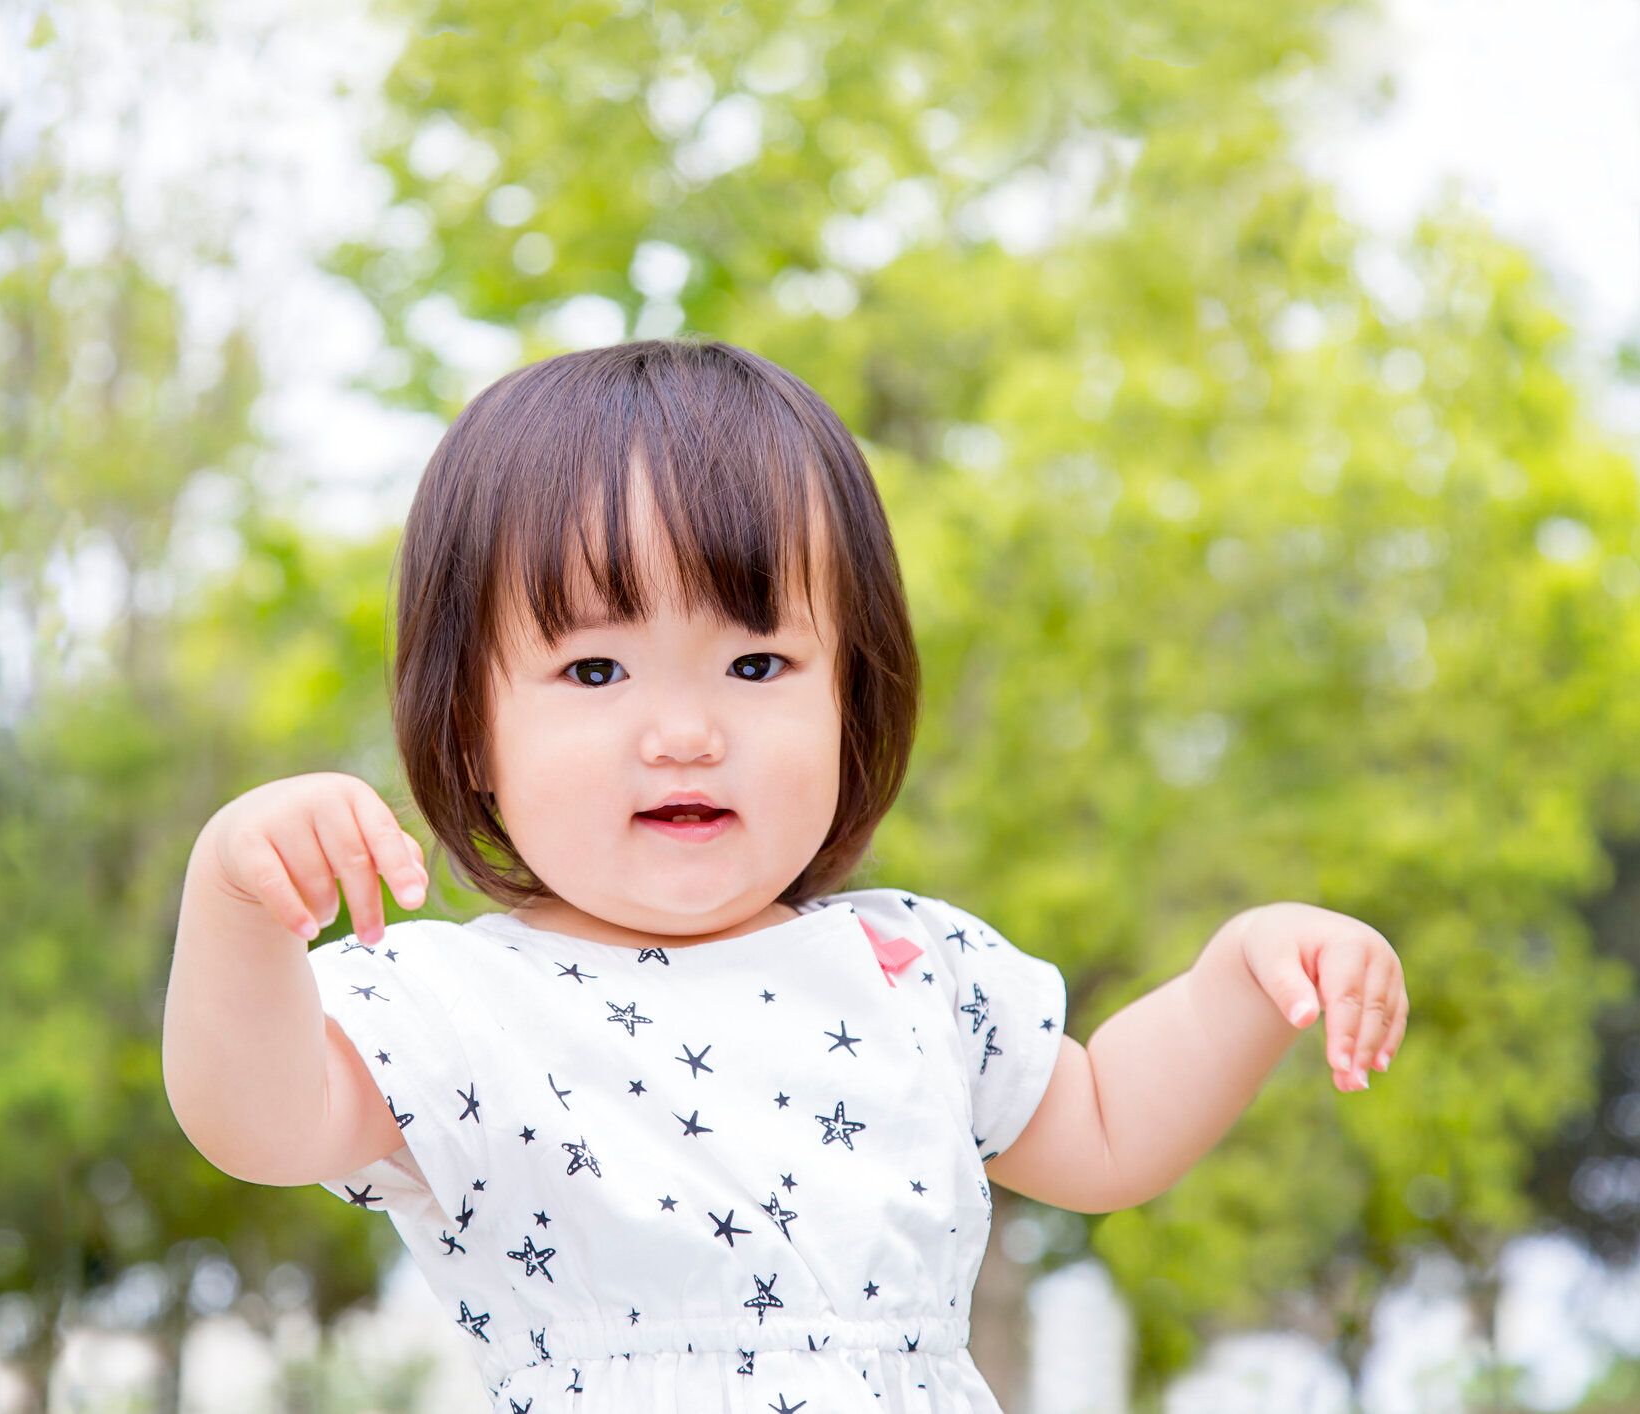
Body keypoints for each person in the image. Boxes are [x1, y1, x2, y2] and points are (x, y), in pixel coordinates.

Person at [162, 337, 1410, 1412]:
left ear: (853, 696)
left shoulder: (910, 966)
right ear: (471, 732)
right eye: (596, 672)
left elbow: (1105, 1131)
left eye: (756, 666)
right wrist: (237, 906)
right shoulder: (458, 1000)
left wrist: (1245, 977)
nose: (685, 732)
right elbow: (257, 1118)